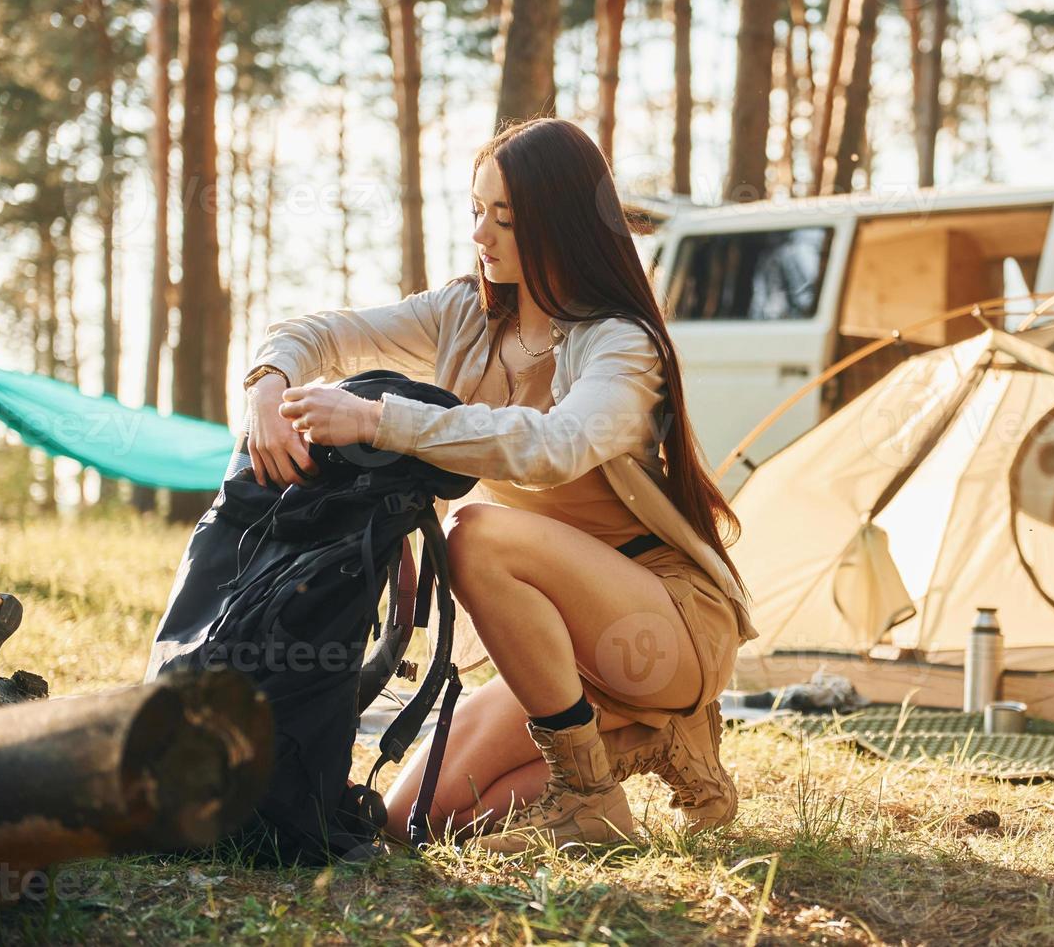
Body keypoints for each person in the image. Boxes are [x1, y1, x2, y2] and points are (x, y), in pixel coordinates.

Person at [238, 118, 757, 853]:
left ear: (562, 222)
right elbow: (323, 332)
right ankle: (637, 748)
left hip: (659, 624)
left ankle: (589, 793)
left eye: (505, 218)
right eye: (476, 211)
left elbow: (555, 447)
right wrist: (268, 383)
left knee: (475, 536)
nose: (482, 235)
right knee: (407, 823)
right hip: (553, 659)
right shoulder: (464, 314)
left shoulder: (619, 342)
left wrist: (378, 419)